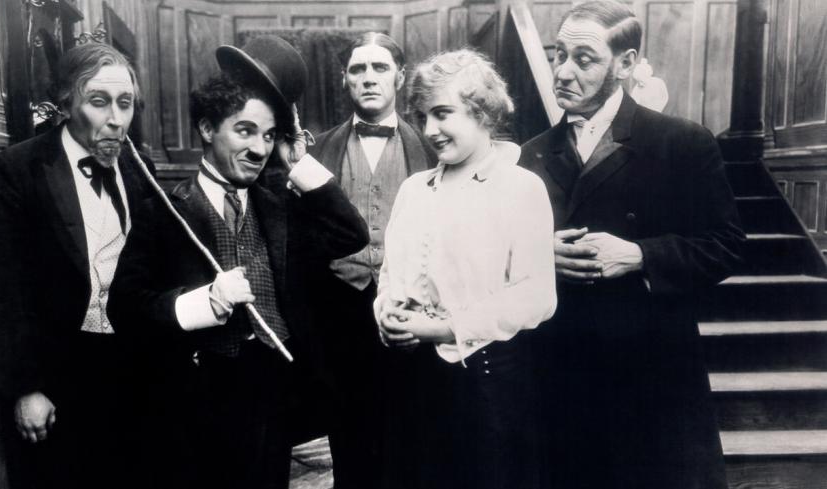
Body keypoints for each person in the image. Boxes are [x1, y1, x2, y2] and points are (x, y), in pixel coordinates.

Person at [106, 36, 369, 489]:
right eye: (244, 131)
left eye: (268, 136)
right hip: (199, 397)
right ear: (208, 128)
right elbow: (125, 308)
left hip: (278, 393)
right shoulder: (165, 211)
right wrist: (203, 303)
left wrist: (300, 163)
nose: (259, 149)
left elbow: (351, 235)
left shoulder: (281, 206)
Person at [517, 2, 745, 488]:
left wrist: (641, 255)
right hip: (559, 368)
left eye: (584, 59)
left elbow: (726, 245)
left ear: (625, 64)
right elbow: (502, 254)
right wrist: (540, 255)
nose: (563, 71)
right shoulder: (530, 154)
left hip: (651, 371)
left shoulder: (682, 142)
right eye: (559, 54)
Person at [0, 42, 156, 489]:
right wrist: (26, 387)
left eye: (125, 103)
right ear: (66, 103)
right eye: (99, 101)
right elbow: (3, 290)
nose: (116, 118)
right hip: (58, 382)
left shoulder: (140, 168)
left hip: (133, 374)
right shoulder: (19, 169)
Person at [375, 49, 556, 489]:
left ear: (482, 111)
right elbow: (391, 273)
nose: (429, 130)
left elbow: (536, 295)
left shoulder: (521, 187)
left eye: (443, 113)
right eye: (422, 117)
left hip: (486, 384)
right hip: (412, 378)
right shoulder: (414, 189)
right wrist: (386, 315)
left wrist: (445, 328)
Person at [306, 31, 435, 489]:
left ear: (399, 77)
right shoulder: (316, 151)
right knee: (349, 434)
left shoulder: (433, 148)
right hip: (340, 307)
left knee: (410, 432)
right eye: (357, 69)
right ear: (344, 79)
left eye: (380, 67)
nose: (368, 77)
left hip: (410, 309)